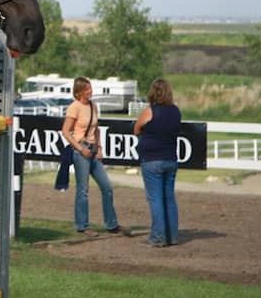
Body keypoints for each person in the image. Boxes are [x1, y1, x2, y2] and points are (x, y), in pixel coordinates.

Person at [61, 77, 126, 237]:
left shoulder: (93, 106)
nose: (90, 91)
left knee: (107, 187)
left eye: (90, 88)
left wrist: (100, 148)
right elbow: (66, 132)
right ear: (79, 92)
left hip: (93, 150)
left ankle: (111, 224)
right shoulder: (74, 107)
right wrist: (80, 149)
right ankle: (82, 225)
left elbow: (96, 129)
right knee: (83, 189)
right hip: (81, 150)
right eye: (87, 89)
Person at [134, 78, 181, 247]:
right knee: (169, 199)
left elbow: (136, 129)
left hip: (152, 160)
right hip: (171, 159)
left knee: (155, 199)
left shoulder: (150, 111)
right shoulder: (176, 111)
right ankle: (172, 236)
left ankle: (158, 237)